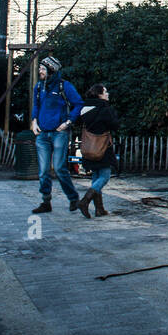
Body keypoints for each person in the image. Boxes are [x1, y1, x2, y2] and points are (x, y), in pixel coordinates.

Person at [30, 55, 83, 214]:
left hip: (59, 133)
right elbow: (36, 105)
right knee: (43, 171)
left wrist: (68, 122)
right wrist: (34, 121)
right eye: (40, 68)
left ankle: (73, 199)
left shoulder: (64, 86)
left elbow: (78, 104)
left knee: (60, 168)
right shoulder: (39, 87)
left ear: (51, 70)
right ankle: (46, 201)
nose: (40, 71)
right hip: (42, 134)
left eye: (43, 69)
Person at [76, 83, 120, 218]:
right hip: (102, 147)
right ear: (99, 94)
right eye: (105, 92)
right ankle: (85, 201)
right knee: (105, 176)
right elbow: (115, 125)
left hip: (89, 147)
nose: (107, 94)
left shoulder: (84, 108)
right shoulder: (105, 109)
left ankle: (99, 209)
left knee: (95, 176)